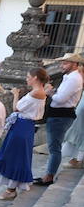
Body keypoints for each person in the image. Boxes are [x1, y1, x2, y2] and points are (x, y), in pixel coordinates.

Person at [0, 69, 49, 201]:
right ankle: (11, 188)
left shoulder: (36, 92)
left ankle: (10, 190)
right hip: (24, 126)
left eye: (28, 76)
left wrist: (15, 94)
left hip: (22, 126)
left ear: (35, 78)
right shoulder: (39, 91)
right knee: (15, 155)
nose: (27, 79)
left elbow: (16, 107)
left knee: (15, 156)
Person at [36, 52, 83, 186]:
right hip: (59, 115)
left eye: (65, 63)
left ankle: (49, 176)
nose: (62, 66)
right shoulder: (70, 77)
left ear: (74, 64)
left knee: (54, 148)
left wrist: (50, 92)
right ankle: (49, 174)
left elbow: (60, 99)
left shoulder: (74, 78)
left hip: (61, 115)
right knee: (54, 147)